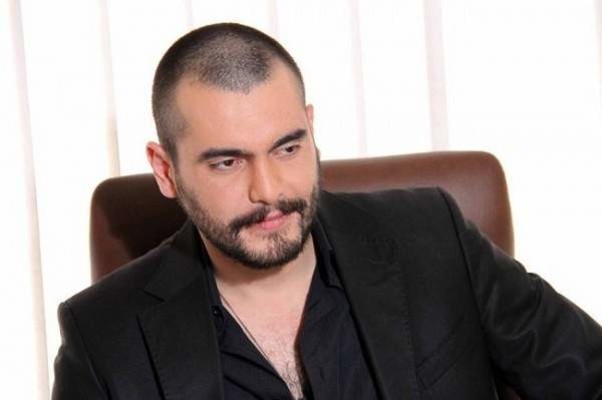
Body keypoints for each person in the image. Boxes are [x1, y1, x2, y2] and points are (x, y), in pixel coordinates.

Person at [52, 23, 602, 400]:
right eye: (227, 162)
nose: (268, 190)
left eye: (288, 148)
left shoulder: (434, 237)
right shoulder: (102, 336)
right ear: (165, 170)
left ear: (311, 129)